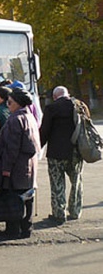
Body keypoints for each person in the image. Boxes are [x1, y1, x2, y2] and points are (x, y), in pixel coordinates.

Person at [0, 88, 40, 238]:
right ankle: (26, 228)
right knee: (27, 197)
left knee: (13, 198)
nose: (8, 105)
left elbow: (12, 147)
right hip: (28, 166)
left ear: (18, 103)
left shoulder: (15, 119)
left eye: (10, 102)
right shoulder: (29, 116)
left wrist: (6, 168)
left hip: (16, 167)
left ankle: (13, 230)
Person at [39, 86, 85, 223]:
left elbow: (44, 132)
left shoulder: (51, 109)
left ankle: (59, 214)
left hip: (56, 153)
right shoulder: (79, 106)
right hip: (75, 152)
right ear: (68, 94)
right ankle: (75, 211)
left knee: (57, 184)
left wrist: (37, 148)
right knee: (76, 182)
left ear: (54, 97)